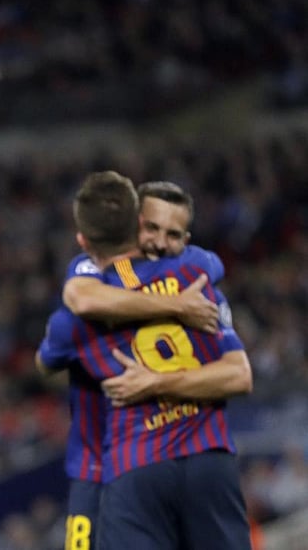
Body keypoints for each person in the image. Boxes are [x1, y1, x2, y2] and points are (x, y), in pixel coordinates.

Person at [37, 171, 252, 550]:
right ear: (135, 223)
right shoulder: (195, 278)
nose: (160, 242)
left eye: (173, 234)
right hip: (203, 460)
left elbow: (47, 359)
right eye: (152, 228)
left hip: (134, 462)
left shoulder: (81, 310)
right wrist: (178, 304)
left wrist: (152, 381)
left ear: (84, 240)